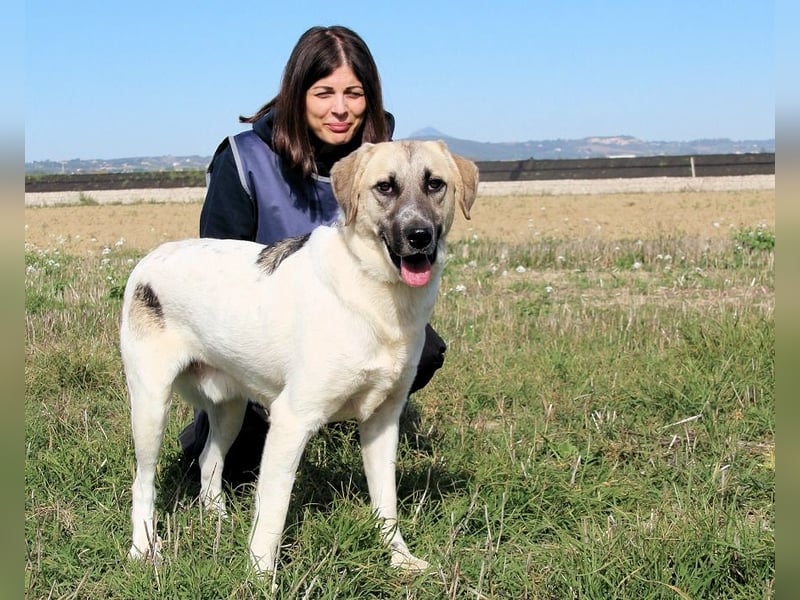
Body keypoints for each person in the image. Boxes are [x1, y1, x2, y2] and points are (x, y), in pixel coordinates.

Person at [179, 25, 447, 485]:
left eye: (354, 93)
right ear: (296, 93)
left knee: (423, 349)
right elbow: (216, 272)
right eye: (323, 92)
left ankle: (333, 416)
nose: (340, 108)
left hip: (348, 329)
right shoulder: (245, 159)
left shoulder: (383, 163)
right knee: (241, 470)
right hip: (260, 336)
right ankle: (232, 429)